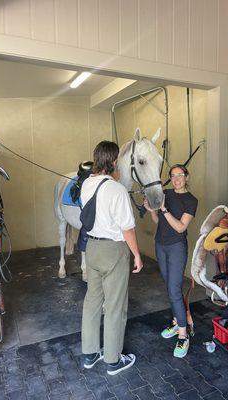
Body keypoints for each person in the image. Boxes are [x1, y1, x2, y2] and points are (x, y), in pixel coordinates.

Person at [81, 140, 143, 375]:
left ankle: (90, 353)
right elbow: (127, 228)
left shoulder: (87, 183)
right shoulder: (116, 189)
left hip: (92, 248)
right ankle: (113, 360)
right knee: (116, 306)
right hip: (114, 250)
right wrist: (136, 254)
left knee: (92, 301)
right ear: (115, 162)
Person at [144, 164, 197, 358]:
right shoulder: (165, 192)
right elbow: (158, 221)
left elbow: (181, 227)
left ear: (186, 177)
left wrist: (164, 208)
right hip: (160, 244)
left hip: (176, 247)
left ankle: (183, 335)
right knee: (170, 287)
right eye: (173, 176)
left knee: (174, 289)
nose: (176, 179)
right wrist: (152, 210)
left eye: (180, 175)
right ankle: (177, 322)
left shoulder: (191, 200)